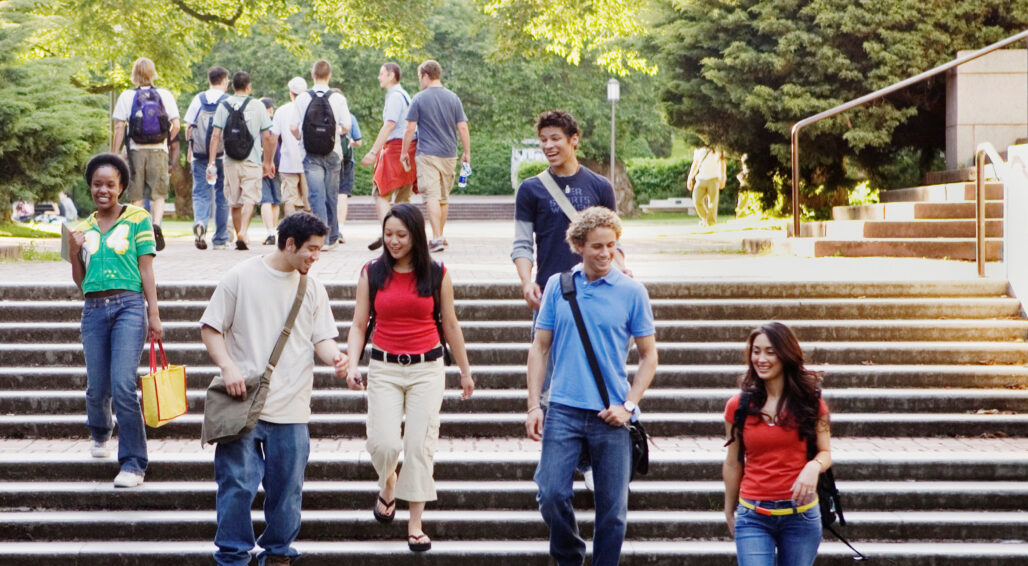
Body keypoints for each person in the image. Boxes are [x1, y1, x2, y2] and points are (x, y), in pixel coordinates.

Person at [200, 212, 348, 566]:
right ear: (290, 243)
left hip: (292, 407)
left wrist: (337, 360)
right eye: (311, 249)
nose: (316, 256)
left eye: (320, 250)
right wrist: (228, 366)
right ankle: (233, 555)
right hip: (243, 401)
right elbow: (210, 327)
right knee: (236, 486)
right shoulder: (241, 277)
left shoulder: (311, 287)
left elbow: (322, 339)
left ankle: (279, 553)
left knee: (287, 490)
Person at [525, 206, 657, 566]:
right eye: (597, 246)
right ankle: (570, 557)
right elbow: (539, 346)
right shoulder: (558, 286)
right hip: (564, 409)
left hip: (610, 413)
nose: (604, 254)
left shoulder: (632, 292)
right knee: (550, 494)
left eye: (611, 246)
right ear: (579, 246)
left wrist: (628, 405)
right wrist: (534, 405)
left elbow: (649, 357)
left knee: (613, 511)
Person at [345, 203, 474, 553]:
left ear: (416, 235)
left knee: (419, 447)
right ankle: (389, 483)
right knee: (384, 443)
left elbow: (450, 324)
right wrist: (353, 365)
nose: (394, 241)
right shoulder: (371, 272)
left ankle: (415, 523)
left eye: (401, 235)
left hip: (427, 369)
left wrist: (464, 370)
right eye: (388, 235)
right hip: (384, 367)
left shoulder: (437, 273)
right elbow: (359, 324)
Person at [512, 110, 629, 489]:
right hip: (554, 296)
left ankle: (594, 463)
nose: (548, 145)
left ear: (574, 139)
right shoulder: (531, 189)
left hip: (598, 295)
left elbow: (613, 242)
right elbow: (521, 242)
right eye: (543, 139)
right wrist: (527, 280)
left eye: (555, 138)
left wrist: (624, 271)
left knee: (598, 373)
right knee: (550, 382)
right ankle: (556, 464)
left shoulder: (599, 186)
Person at [66, 153, 162, 488]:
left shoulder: (138, 218)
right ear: (90, 187)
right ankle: (100, 431)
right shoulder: (81, 228)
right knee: (97, 387)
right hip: (93, 310)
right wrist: (73, 250)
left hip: (129, 307)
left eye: (110, 184)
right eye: (97, 184)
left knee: (123, 384)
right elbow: (81, 281)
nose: (103, 190)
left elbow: (146, 269)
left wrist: (154, 314)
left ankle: (134, 463)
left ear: (121, 187)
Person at [723, 322, 832, 566]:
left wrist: (813, 467)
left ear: (786, 354)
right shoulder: (738, 406)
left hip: (801, 517)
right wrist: (729, 509)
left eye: (770, 352)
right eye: (756, 351)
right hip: (753, 515)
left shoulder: (811, 403)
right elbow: (733, 462)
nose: (761, 359)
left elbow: (825, 453)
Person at [111, 57, 180, 251]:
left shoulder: (126, 96)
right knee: (158, 192)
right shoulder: (164, 95)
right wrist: (166, 140)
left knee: (137, 192)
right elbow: (176, 124)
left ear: (134, 74)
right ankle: (156, 225)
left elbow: (118, 126)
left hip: (136, 149)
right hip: (159, 148)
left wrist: (114, 153)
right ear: (153, 73)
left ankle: (140, 231)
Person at [400, 60, 470, 253]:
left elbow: (410, 128)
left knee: (431, 195)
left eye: (419, 77)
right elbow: (462, 127)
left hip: (427, 154)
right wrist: (467, 152)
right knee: (443, 197)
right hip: (449, 154)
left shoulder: (419, 99)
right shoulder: (453, 98)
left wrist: (404, 152)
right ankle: (440, 235)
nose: (419, 81)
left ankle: (437, 237)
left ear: (425, 75)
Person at [208, 71, 276, 250]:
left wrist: (211, 162)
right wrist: (268, 161)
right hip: (252, 159)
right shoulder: (258, 106)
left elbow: (215, 136)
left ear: (232, 86)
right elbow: (268, 136)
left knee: (234, 200)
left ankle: (240, 234)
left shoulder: (224, 106)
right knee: (249, 197)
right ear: (249, 86)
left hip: (230, 160)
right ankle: (243, 232)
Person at [291, 60, 352, 250]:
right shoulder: (338, 98)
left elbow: (293, 127)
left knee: (316, 195)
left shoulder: (302, 98)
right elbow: (347, 126)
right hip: (333, 152)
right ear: (330, 75)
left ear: (312, 75)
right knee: (331, 194)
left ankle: (322, 239)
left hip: (310, 153)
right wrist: (335, 132)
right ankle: (333, 235)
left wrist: (303, 137)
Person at [361, 62, 416, 251]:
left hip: (395, 148)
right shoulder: (405, 95)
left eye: (382, 73)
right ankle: (405, 236)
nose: (379, 77)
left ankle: (388, 233)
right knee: (403, 197)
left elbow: (389, 125)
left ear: (392, 75)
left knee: (380, 192)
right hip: (409, 149)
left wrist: (373, 151)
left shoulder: (394, 97)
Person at [184, 65, 231, 250]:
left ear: (209, 80)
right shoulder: (229, 101)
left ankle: (200, 222)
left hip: (199, 154)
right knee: (222, 196)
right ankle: (220, 239)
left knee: (200, 193)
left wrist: (190, 150)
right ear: (224, 80)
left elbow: (189, 127)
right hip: (223, 155)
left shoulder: (199, 99)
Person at [272, 77, 309, 217]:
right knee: (309, 202)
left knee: (289, 200)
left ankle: (291, 232)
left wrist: (269, 161)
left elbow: (273, 137)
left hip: (288, 163)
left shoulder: (281, 111)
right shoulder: (310, 108)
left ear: (290, 93)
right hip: (308, 161)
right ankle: (309, 234)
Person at [259, 97, 283, 246]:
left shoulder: (256, 124)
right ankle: (274, 231)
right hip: (278, 163)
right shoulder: (275, 122)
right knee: (275, 200)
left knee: (265, 199)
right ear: (270, 109)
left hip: (260, 162)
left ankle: (269, 233)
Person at [336, 111, 362, 245]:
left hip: (327, 160)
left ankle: (328, 227)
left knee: (328, 194)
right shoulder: (350, 117)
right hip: (346, 160)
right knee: (342, 194)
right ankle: (339, 229)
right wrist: (351, 142)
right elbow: (359, 141)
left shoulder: (324, 115)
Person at [686, 146, 726, 228]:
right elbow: (696, 163)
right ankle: (706, 219)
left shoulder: (718, 148)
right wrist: (690, 177)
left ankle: (711, 223)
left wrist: (723, 177)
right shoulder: (698, 148)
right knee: (696, 200)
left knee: (713, 203)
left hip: (714, 178)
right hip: (701, 179)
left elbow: (722, 163)